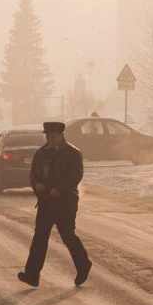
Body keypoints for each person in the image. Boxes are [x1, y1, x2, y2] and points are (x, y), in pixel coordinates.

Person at [18, 121, 92, 288]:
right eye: (48, 136)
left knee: (67, 235)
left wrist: (59, 189)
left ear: (61, 136)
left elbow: (75, 175)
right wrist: (37, 186)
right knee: (40, 238)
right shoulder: (41, 153)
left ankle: (83, 265)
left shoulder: (72, 153)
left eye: (53, 137)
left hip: (65, 202)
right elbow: (34, 175)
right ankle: (32, 275)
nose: (50, 140)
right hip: (45, 202)